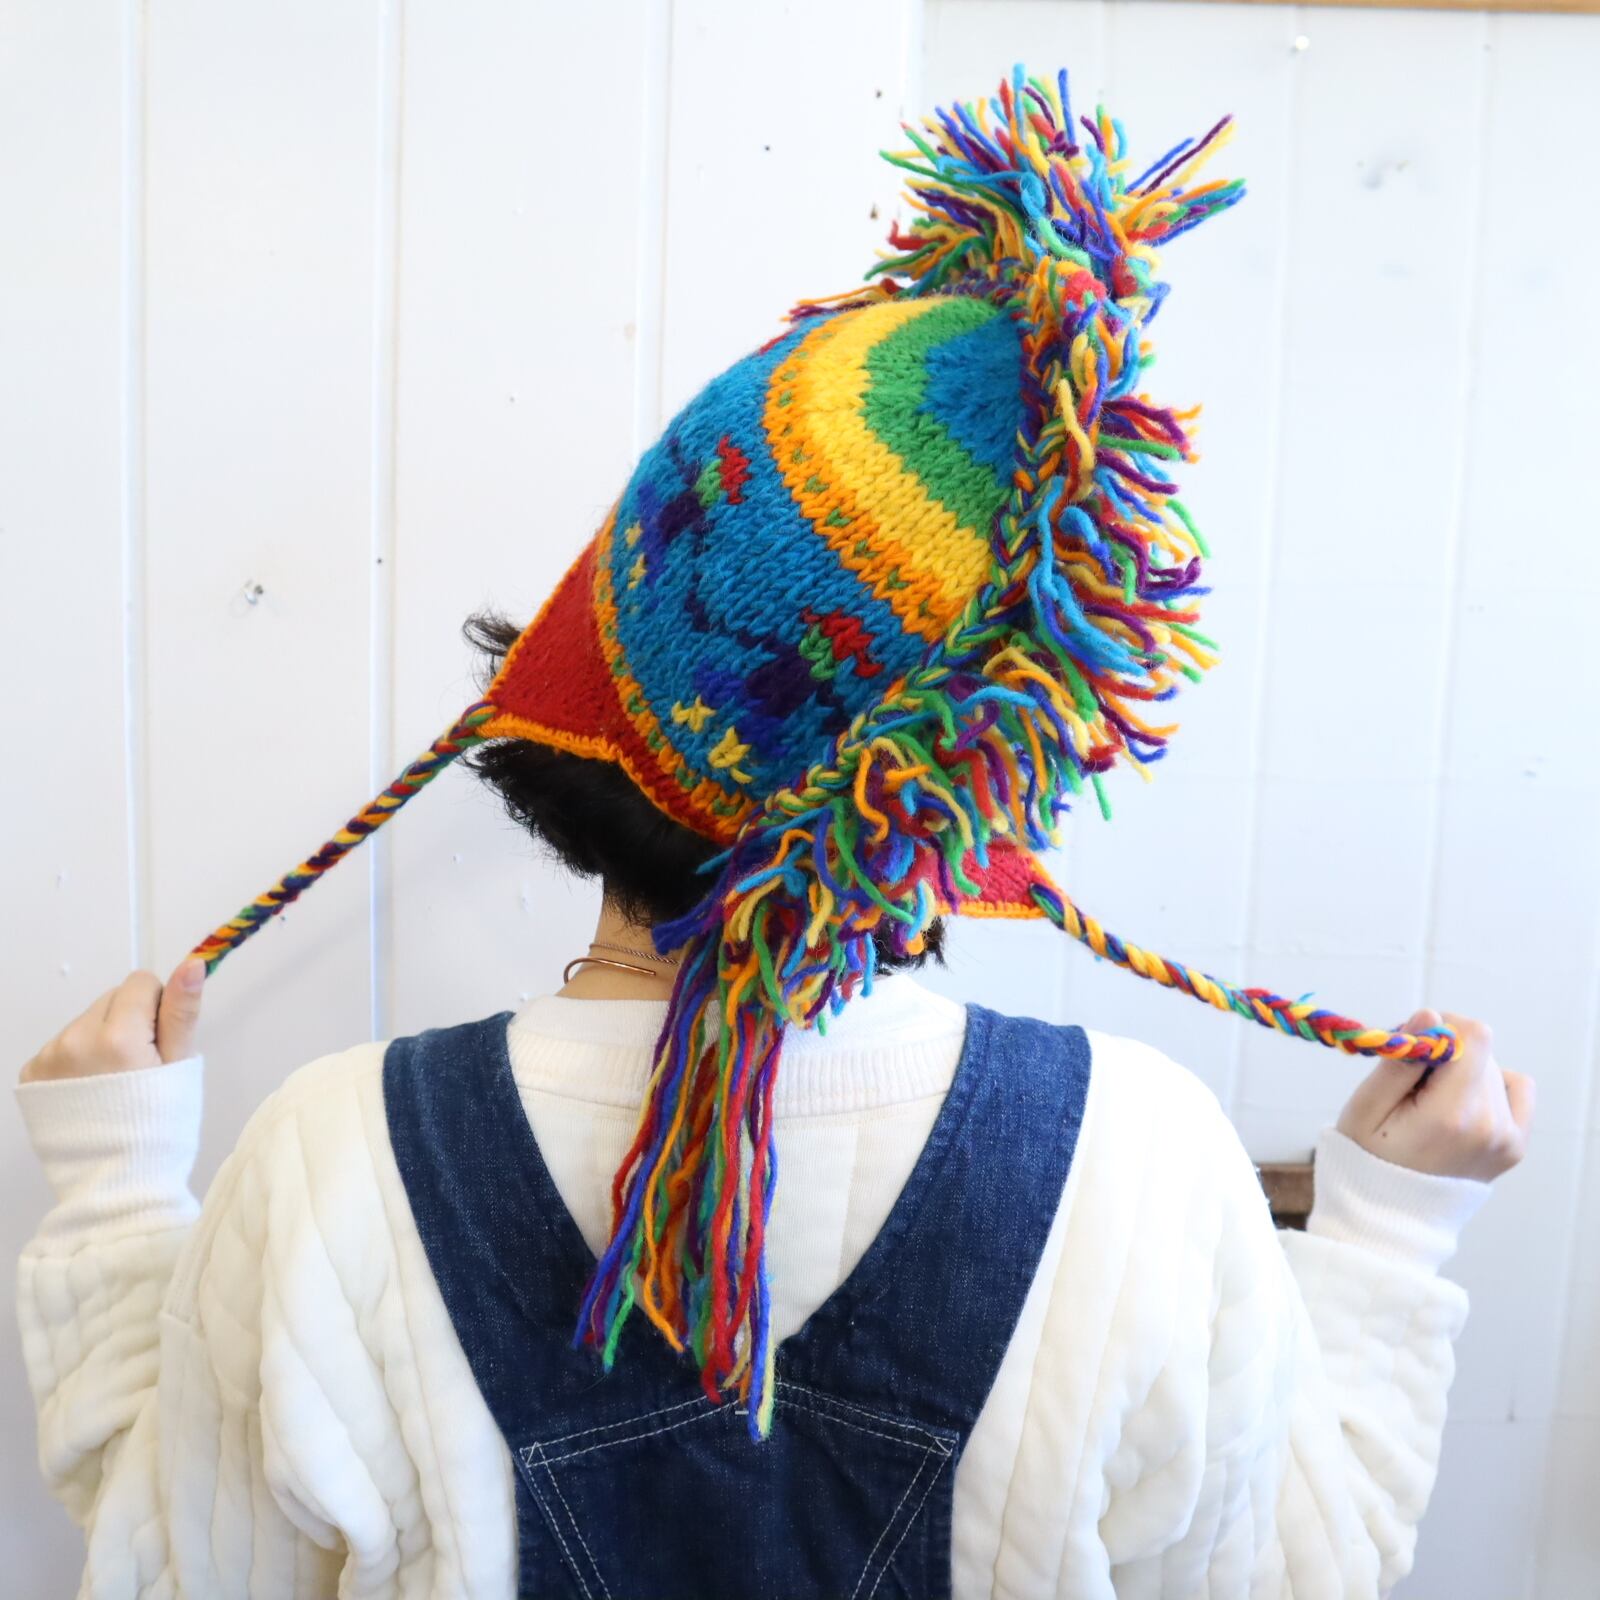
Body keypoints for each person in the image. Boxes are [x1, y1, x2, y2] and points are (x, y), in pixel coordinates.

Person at [14, 68, 1535, 1599]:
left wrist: (113, 1189)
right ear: (972, 784)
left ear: (597, 664)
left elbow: (173, 1567)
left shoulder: (329, 1165)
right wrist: (1390, 1230)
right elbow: (1298, 1566)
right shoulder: (1143, 1171)